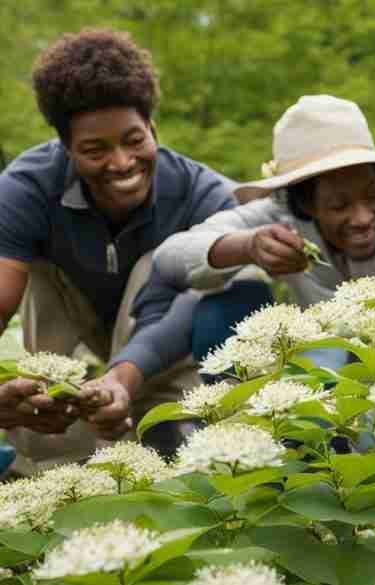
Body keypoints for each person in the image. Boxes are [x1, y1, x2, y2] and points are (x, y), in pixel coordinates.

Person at [0, 29, 267, 474]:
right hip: (69, 331)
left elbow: (189, 307)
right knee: (37, 271)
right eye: (94, 149)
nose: (121, 163)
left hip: (163, 339)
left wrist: (123, 378)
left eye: (134, 140)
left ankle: (157, 426)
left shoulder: (204, 194)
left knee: (171, 260)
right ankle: (46, 439)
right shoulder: (26, 188)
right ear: (65, 150)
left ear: (153, 129)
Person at [154, 95, 375, 382]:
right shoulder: (277, 216)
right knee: (222, 310)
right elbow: (168, 260)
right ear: (304, 204)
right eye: (339, 205)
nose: (362, 218)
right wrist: (248, 247)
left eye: (372, 195)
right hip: (312, 383)